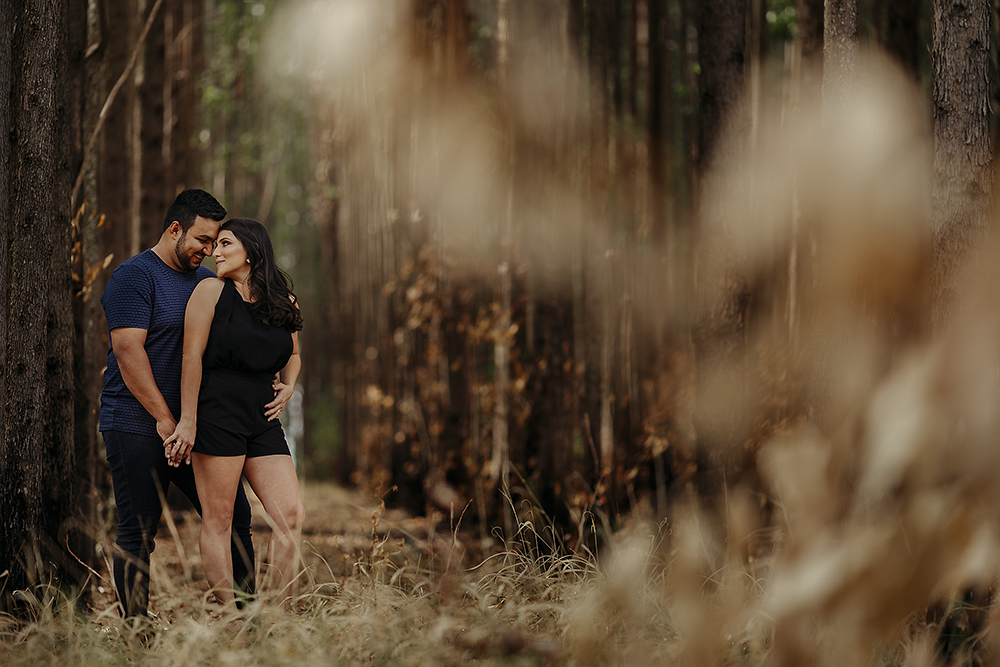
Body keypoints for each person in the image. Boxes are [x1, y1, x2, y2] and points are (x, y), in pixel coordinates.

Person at [99, 189, 256, 618]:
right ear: (174, 229)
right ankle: (136, 631)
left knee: (234, 516)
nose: (207, 251)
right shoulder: (134, 277)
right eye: (202, 240)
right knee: (138, 531)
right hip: (135, 422)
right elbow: (129, 353)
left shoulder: (208, 283)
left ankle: (247, 618)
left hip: (192, 429)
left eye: (214, 243)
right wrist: (165, 420)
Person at [165, 217, 305, 605]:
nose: (215, 252)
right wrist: (188, 422)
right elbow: (191, 357)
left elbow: (292, 355)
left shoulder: (283, 302)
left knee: (290, 516)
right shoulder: (210, 291)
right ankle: (233, 621)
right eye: (215, 245)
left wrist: (289, 385)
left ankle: (277, 620)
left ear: (251, 250)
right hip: (217, 413)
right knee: (220, 520)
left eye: (225, 244)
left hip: (263, 419)